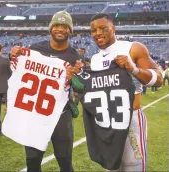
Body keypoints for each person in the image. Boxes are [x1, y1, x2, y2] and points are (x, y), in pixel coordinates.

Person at [68, 13, 163, 172]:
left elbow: (159, 79)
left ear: (114, 29)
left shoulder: (133, 48)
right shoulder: (95, 60)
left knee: (134, 167)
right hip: (106, 122)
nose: (97, 33)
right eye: (93, 30)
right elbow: (88, 91)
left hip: (130, 119)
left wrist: (133, 69)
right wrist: (76, 75)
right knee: (111, 167)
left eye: (103, 28)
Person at [9, 11, 80, 172]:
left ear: (70, 30)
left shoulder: (74, 57)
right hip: (36, 115)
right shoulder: (35, 49)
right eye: (56, 25)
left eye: (64, 26)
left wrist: (74, 77)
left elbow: (79, 89)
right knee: (32, 161)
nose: (60, 29)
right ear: (50, 28)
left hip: (61, 115)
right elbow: (16, 71)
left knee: (65, 161)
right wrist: (13, 56)